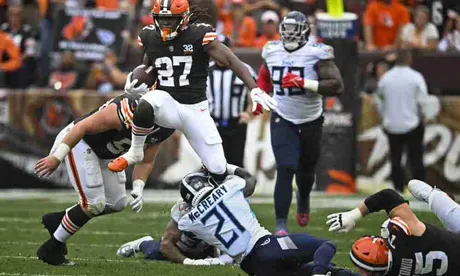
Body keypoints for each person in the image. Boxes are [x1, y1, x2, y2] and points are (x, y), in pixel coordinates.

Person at [107, 0, 276, 184]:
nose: (165, 24)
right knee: (146, 103)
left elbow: (232, 61)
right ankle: (135, 151)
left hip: (196, 109)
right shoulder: (150, 36)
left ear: (184, 18)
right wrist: (134, 81)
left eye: (170, 19)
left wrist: (255, 89)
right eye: (161, 19)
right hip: (168, 102)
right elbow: (148, 67)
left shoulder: (198, 35)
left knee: (218, 169)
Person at [33, 92, 175, 266]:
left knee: (116, 203)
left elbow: (146, 161)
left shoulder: (167, 124)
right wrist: (57, 157)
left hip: (106, 154)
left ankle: (59, 220)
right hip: (79, 142)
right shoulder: (125, 110)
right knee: (94, 204)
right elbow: (81, 127)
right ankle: (51, 249)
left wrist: (138, 186)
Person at [257, 11, 344, 235]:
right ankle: (280, 225)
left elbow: (336, 85)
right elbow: (265, 75)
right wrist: (260, 95)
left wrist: (304, 83)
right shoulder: (271, 50)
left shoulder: (317, 52)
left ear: (305, 32)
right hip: (282, 116)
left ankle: (303, 198)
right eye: (286, 31)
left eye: (294, 32)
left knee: (306, 172)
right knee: (285, 168)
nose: (289, 36)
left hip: (310, 119)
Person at [176, 171, 360, 276]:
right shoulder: (230, 187)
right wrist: (224, 167)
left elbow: (179, 223)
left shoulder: (187, 222)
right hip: (269, 247)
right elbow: (250, 179)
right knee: (326, 246)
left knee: (315, 271)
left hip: (254, 268)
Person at [117, 164, 256, 265]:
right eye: (200, 201)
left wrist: (222, 167)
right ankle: (142, 243)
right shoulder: (183, 212)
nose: (205, 203)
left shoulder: (226, 193)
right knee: (154, 251)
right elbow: (166, 245)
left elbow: (250, 179)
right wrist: (189, 262)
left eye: (207, 197)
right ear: (188, 202)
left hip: (210, 246)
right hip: (187, 249)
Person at [326, 180, 460, 275]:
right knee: (415, 185)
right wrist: (354, 215)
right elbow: (388, 196)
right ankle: (440, 198)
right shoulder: (404, 236)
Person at [374, 50, 427, 193]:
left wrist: (383, 118)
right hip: (412, 124)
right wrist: (423, 117)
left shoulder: (386, 78)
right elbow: (422, 101)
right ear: (409, 60)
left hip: (392, 125)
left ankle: (398, 189)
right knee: (416, 159)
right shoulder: (416, 77)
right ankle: (421, 191)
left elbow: (378, 100)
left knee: (395, 159)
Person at [206, 35, 256, 167]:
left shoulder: (243, 69)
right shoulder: (205, 71)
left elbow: (257, 93)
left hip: (237, 124)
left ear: (230, 50)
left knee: (236, 163)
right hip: (212, 124)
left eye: (223, 49)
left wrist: (249, 113)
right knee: (214, 164)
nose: (220, 54)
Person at [1, 5, 38, 88]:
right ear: (8, 16)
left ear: (21, 16)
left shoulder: (27, 30)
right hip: (5, 62)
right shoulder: (3, 29)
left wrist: (17, 61)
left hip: (21, 61)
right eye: (11, 15)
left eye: (17, 15)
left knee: (23, 68)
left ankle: (20, 94)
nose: (14, 18)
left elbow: (30, 51)